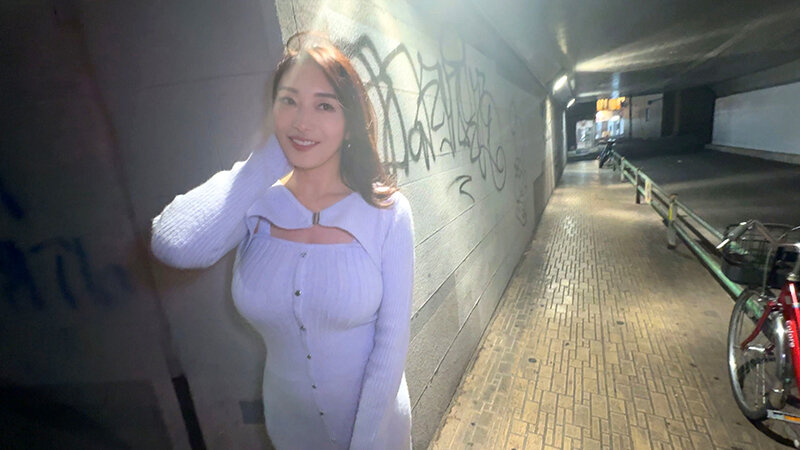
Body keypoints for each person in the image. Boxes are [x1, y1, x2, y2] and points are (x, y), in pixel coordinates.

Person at [150, 32, 414, 450]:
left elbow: (390, 349)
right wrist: (268, 159)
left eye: (324, 105)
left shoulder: (388, 213)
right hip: (291, 431)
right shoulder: (255, 204)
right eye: (289, 101)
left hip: (376, 433)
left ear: (350, 122)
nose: (302, 121)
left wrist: (367, 443)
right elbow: (174, 244)